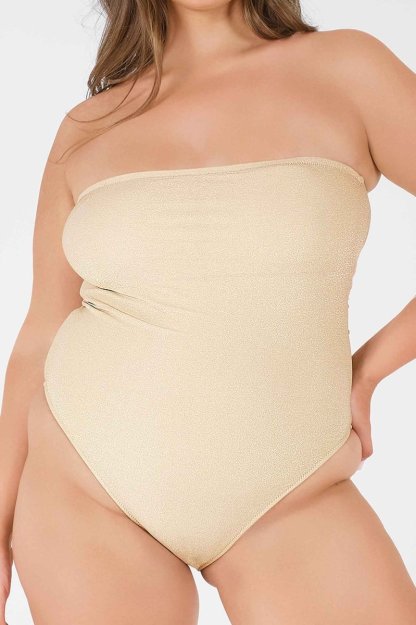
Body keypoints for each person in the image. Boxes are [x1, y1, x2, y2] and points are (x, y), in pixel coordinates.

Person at [1, 1, 416, 623]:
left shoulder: (347, 69)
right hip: (84, 488)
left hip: (292, 487)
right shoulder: (88, 126)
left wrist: (369, 371)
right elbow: (40, 332)